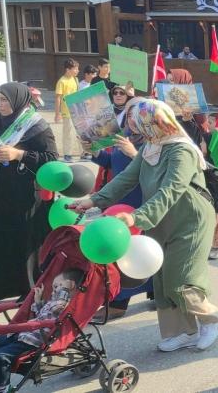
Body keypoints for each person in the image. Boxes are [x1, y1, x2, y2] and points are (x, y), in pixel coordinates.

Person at [74, 99, 218, 352]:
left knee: (182, 279)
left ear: (157, 123)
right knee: (163, 280)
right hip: (161, 219)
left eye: (141, 126)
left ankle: (211, 317)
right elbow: (125, 179)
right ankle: (182, 332)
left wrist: (137, 217)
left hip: (190, 219)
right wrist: (93, 200)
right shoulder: (150, 148)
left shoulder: (181, 150)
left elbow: (171, 189)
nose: (137, 132)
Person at [0, 83, 58, 301]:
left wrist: (18, 155)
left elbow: (51, 159)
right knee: (2, 237)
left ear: (18, 100)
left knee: (26, 242)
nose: (0, 105)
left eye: (4, 100)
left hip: (27, 194)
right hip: (1, 192)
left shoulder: (35, 126)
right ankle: (3, 286)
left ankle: (30, 290)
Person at [89, 94, 149, 318]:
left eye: (138, 112)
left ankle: (123, 301)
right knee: (121, 250)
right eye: (129, 112)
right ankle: (118, 299)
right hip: (119, 198)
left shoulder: (152, 139)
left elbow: (156, 170)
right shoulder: (123, 134)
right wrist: (95, 152)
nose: (132, 117)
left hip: (141, 201)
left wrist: (134, 153)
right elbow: (109, 161)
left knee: (140, 249)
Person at [0, 269, 84, 393]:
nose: (54, 289)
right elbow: (42, 314)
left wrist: (64, 290)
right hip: (23, 332)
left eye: (58, 285)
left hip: (33, 338)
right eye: (54, 287)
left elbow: (58, 309)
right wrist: (38, 301)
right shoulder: (54, 300)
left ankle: (3, 388)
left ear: (70, 285)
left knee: (0, 356)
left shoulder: (66, 302)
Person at [54, 58, 81, 163]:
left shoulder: (75, 79)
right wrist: (57, 113)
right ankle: (67, 155)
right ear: (68, 69)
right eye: (75, 69)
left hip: (77, 111)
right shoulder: (62, 81)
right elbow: (57, 98)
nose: (77, 71)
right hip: (67, 112)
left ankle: (84, 153)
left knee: (80, 133)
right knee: (68, 134)